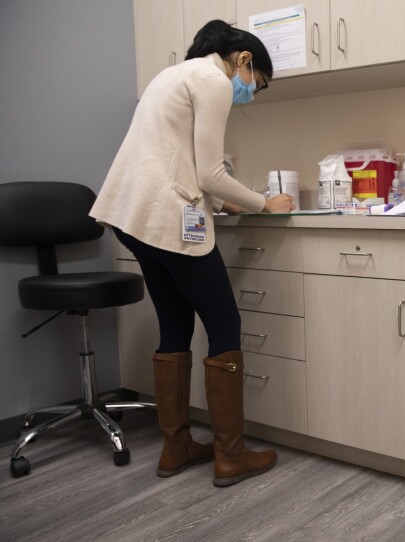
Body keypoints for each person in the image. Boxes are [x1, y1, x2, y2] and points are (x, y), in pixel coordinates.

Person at [90, 20, 293, 487]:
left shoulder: (172, 75)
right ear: (244, 60)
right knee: (225, 323)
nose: (249, 94)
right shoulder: (213, 80)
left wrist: (221, 200)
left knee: (175, 322)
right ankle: (231, 455)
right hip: (166, 220)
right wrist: (265, 202)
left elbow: (175, 159)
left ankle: (176, 447)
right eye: (256, 85)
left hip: (133, 218)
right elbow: (209, 172)